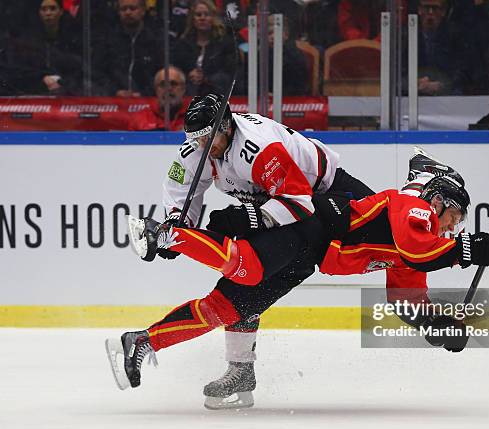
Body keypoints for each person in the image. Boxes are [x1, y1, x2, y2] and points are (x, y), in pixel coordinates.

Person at [106, 92, 375, 409]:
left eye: (208, 138)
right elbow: (180, 189)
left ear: (227, 126)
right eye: (195, 140)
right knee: (239, 291)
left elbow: (298, 201)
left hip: (327, 195)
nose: (203, 148)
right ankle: (237, 368)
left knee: (389, 239)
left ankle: (430, 203)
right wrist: (180, 220)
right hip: (295, 218)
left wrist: (251, 219)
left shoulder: (257, 147)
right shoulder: (196, 148)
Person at [95, 0, 163, 97]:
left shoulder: (155, 39)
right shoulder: (108, 40)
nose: (128, 12)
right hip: (114, 101)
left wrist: (143, 94)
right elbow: (98, 73)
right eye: (123, 9)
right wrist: (115, 91)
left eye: (132, 8)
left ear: (143, 11)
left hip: (148, 100)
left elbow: (161, 74)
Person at [170, 0, 237, 96]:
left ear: (213, 18)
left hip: (217, 95)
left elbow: (229, 74)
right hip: (186, 95)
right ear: (193, 19)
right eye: (198, 15)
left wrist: (206, 79)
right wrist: (187, 75)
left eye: (207, 14)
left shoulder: (225, 44)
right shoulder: (182, 44)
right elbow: (174, 70)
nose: (202, 18)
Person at [128, 66, 190, 131]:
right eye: (163, 84)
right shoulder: (139, 120)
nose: (168, 88)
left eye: (173, 84)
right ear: (156, 89)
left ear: (183, 88)